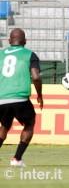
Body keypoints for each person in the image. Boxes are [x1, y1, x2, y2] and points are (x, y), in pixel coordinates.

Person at [0, 28, 43, 167]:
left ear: (9, 41)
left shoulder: (1, 54)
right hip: (20, 98)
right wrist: (39, 95)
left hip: (1, 98)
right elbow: (36, 77)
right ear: (25, 41)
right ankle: (17, 158)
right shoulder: (29, 54)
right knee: (29, 124)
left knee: (5, 126)